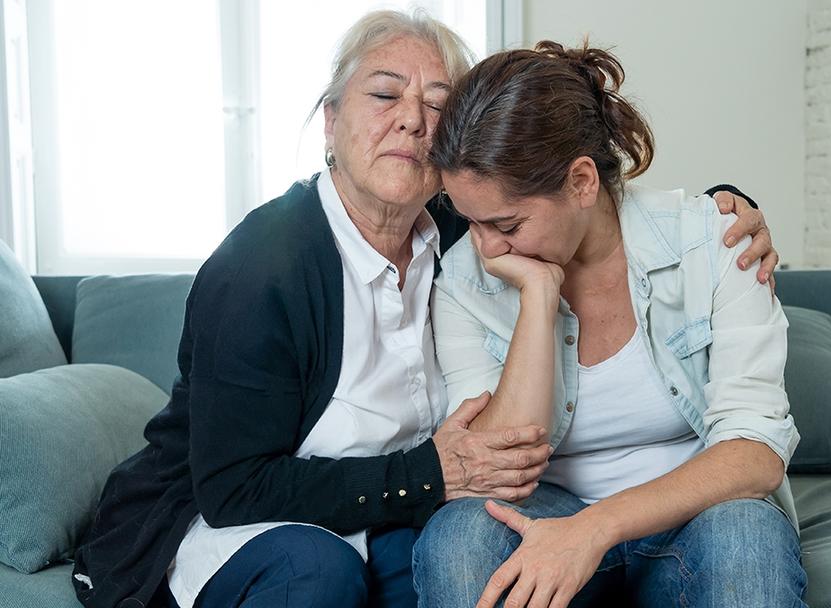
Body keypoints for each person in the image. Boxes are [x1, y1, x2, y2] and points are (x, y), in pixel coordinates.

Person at [71, 11, 779, 608]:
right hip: (262, 514)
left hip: (391, 511)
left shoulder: (455, 226)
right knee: (376, 562)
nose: (411, 120)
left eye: (436, 103)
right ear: (331, 120)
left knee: (436, 551)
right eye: (384, 95)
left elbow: (563, 193)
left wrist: (730, 206)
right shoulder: (264, 267)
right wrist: (435, 474)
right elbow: (232, 487)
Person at [413, 41, 806, 607]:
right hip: (542, 509)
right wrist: (538, 296)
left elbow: (755, 450)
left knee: (747, 537)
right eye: (469, 221)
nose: (486, 247)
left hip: (694, 515)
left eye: (507, 223)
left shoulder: (713, 241)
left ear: (581, 182)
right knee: (459, 541)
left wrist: (595, 528)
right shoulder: (464, 281)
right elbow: (499, 467)